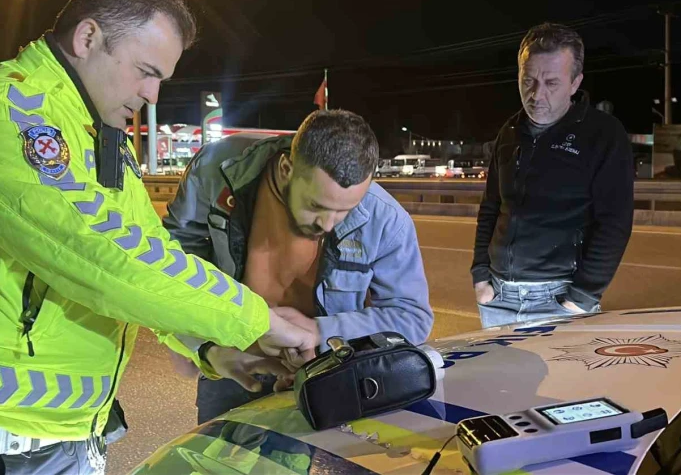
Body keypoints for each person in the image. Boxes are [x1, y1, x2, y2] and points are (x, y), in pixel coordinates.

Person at [0, 0, 315, 474]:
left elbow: (149, 254)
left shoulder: (101, 134)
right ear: (88, 38)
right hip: (13, 439)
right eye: (146, 71)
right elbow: (105, 258)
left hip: (70, 433)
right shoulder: (14, 112)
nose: (151, 96)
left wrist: (211, 349)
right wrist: (256, 319)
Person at [162, 108, 434, 423]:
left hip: (325, 372)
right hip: (233, 361)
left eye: (345, 210)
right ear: (286, 168)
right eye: (316, 206)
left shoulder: (386, 219)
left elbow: (412, 317)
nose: (328, 224)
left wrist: (319, 331)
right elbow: (171, 263)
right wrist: (201, 346)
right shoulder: (217, 171)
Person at [471, 22, 634, 328]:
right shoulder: (509, 131)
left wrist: (583, 295)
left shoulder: (602, 135)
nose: (536, 94)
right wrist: (480, 274)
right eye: (528, 80)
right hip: (497, 297)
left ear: (575, 83)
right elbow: (491, 206)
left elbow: (615, 222)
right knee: (498, 377)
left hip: (560, 300)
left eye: (551, 83)